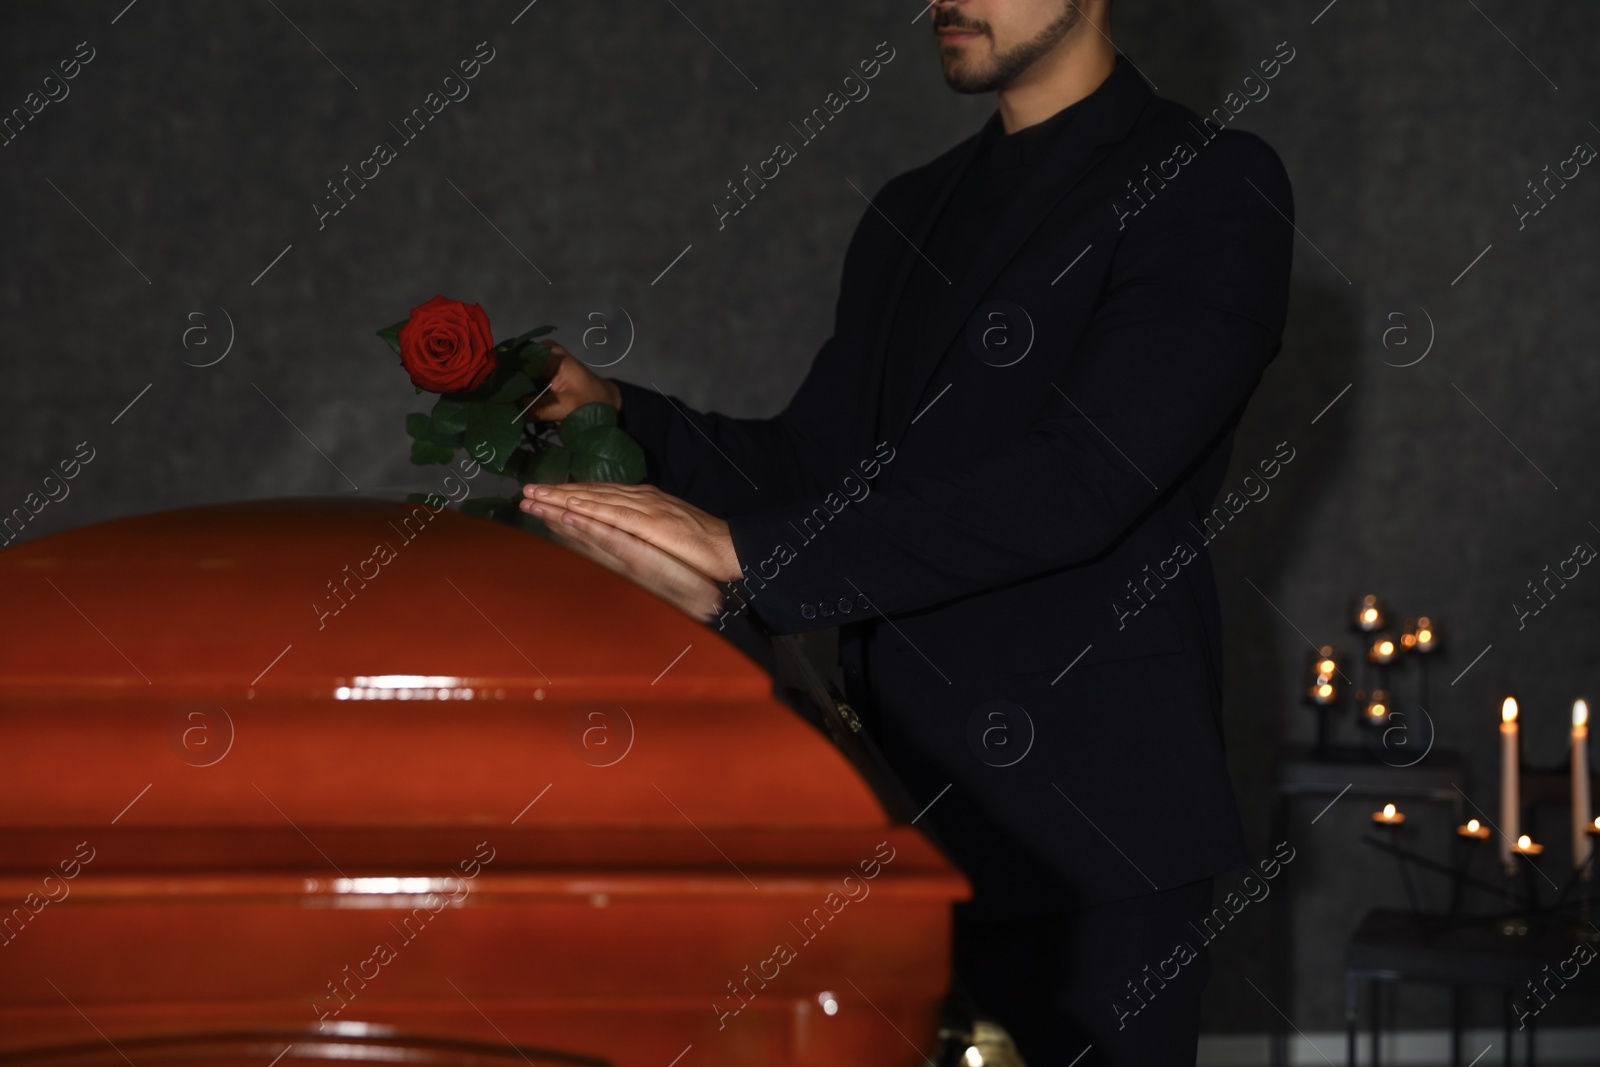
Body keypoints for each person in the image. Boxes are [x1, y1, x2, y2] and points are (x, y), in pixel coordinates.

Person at [521, 0, 1294, 1061]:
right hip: (894, 821)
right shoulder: (910, 208)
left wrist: (750, 560)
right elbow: (815, 466)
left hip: (1093, 833)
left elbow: (1080, 484)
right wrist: (620, 415)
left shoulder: (1207, 182)